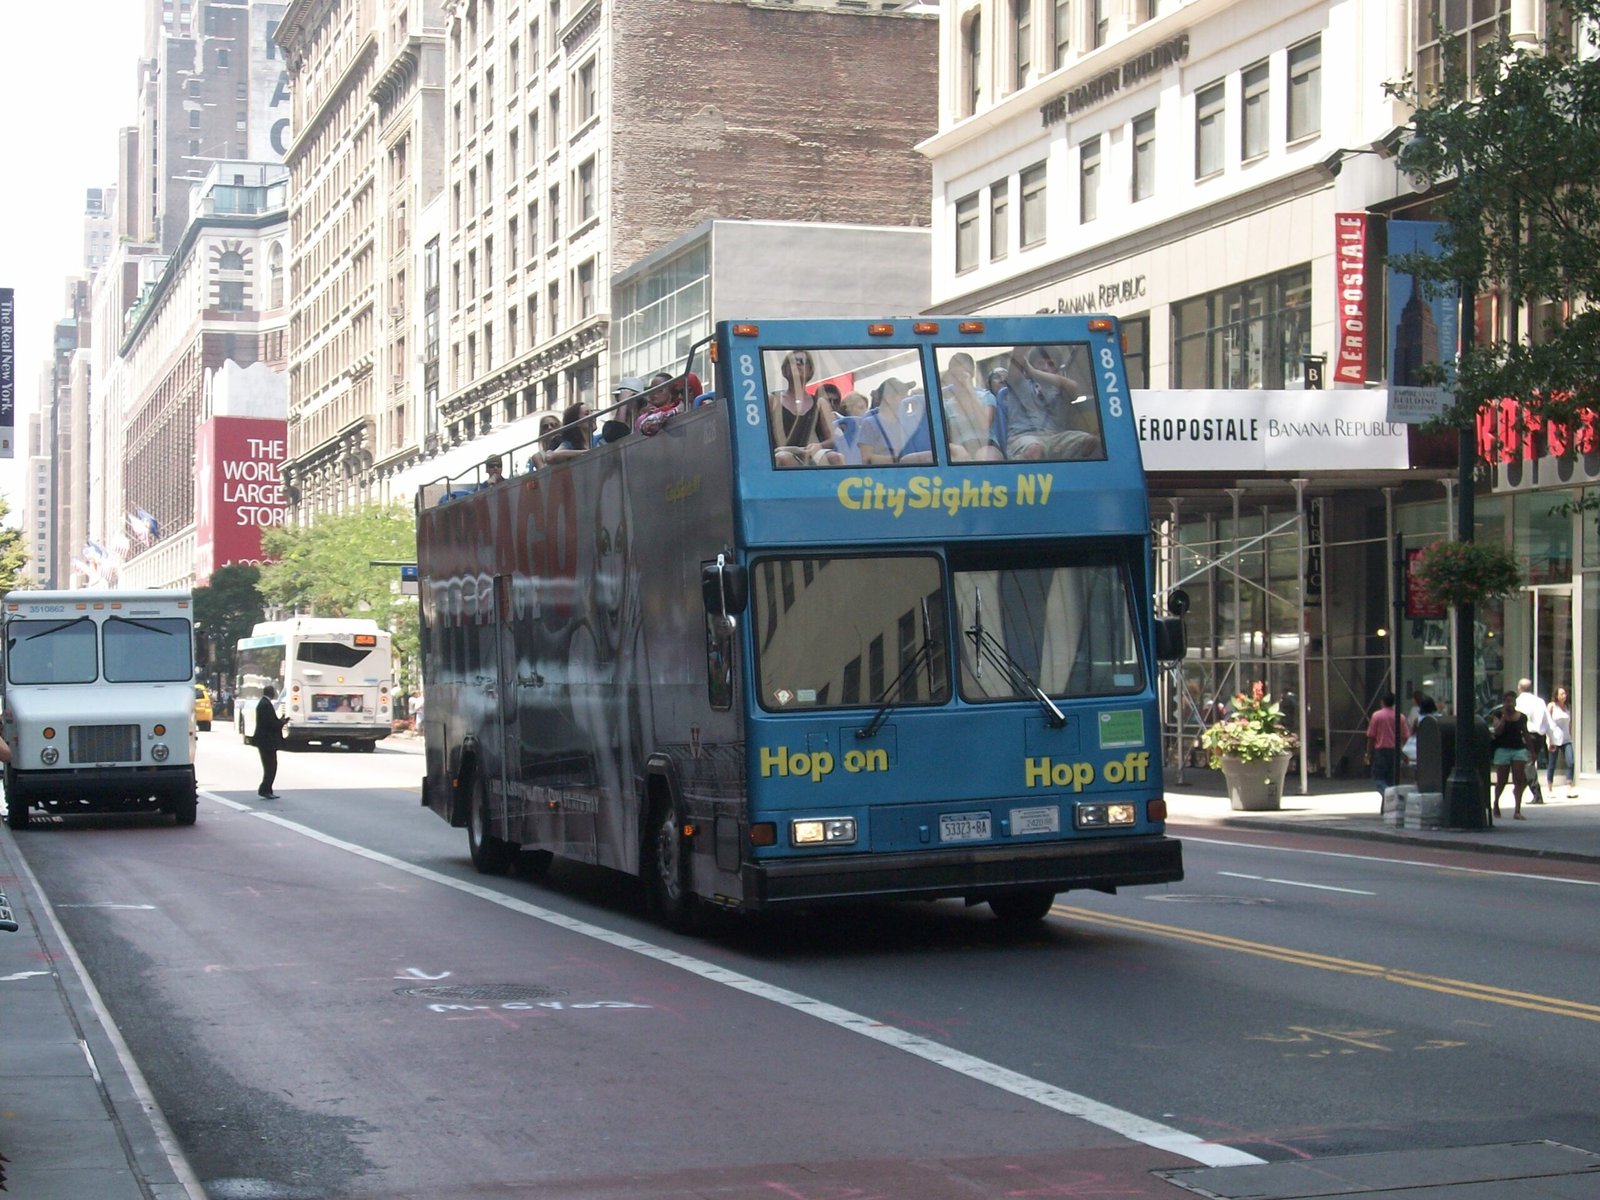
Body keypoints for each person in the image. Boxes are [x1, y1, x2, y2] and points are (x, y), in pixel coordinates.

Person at [1000, 344, 1101, 461]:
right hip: (1023, 438)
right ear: (1031, 365)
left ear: (1056, 369)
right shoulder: (1018, 383)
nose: (1045, 367)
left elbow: (1073, 386)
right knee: (1035, 450)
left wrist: (1032, 371)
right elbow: (1017, 355)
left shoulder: (1062, 389)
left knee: (1092, 442)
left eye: (1051, 364)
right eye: (1040, 363)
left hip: (1056, 438)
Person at [768, 350, 842, 467]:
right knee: (785, 458)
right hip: (779, 455)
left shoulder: (820, 403)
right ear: (784, 369)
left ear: (810, 370)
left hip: (811, 455)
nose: (797, 364)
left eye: (802, 362)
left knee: (835, 457)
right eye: (793, 362)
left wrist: (819, 446)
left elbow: (834, 439)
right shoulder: (772, 399)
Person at [940, 352, 1004, 460]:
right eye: (956, 376)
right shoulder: (946, 406)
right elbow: (942, 439)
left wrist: (969, 390)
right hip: (958, 450)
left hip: (986, 444)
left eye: (964, 375)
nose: (960, 380)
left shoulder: (986, 397)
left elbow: (984, 426)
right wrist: (955, 449)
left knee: (984, 457)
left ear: (972, 373)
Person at [857, 378, 934, 465]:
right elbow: (866, 458)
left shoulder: (909, 422)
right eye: (903, 395)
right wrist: (900, 460)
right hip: (884, 475)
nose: (908, 398)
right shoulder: (870, 423)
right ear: (889, 398)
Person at [1490, 691, 1531, 819]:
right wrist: (1503, 718)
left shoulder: (1522, 717)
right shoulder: (1498, 714)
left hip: (1518, 749)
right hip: (1502, 749)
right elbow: (1497, 731)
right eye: (1507, 701)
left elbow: (1525, 733)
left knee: (1519, 780)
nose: (1510, 704)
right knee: (1501, 780)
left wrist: (1532, 750)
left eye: (1512, 701)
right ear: (1503, 702)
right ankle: (1496, 803)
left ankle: (1517, 810)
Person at [1364, 691, 1409, 799]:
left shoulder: (1376, 716)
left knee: (1379, 778)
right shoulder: (1400, 717)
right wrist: (1403, 752)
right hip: (1395, 751)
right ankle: (1388, 807)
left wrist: (1368, 754)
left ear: (1382, 702)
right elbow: (1405, 736)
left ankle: (1388, 796)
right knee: (1391, 779)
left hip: (1381, 751)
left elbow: (1371, 737)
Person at [1514, 677, 1551, 805]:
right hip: (1539, 736)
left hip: (1526, 735)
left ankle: (1537, 794)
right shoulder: (1539, 701)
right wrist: (1551, 738)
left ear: (1519, 688)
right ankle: (1520, 790)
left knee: (1528, 765)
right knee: (1529, 764)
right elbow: (1548, 721)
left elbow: (1517, 720)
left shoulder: (1518, 702)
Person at [254, 684, 287, 799]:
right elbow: (270, 724)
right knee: (270, 766)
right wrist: (282, 722)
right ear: (271, 693)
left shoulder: (264, 703)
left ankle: (267, 789)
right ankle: (265, 789)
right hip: (266, 741)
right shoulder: (265, 705)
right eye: (273, 692)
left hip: (265, 741)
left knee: (270, 766)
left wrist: (280, 720)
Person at [1546, 685, 1576, 797]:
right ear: (1557, 696)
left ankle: (1569, 787)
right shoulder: (1552, 706)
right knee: (1552, 763)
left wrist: (1570, 735)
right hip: (1554, 738)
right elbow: (1547, 723)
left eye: (1565, 694)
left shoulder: (1568, 707)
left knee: (1570, 761)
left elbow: (1569, 723)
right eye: (1562, 694)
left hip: (1566, 739)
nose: (1564, 696)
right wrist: (1548, 739)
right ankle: (1549, 788)